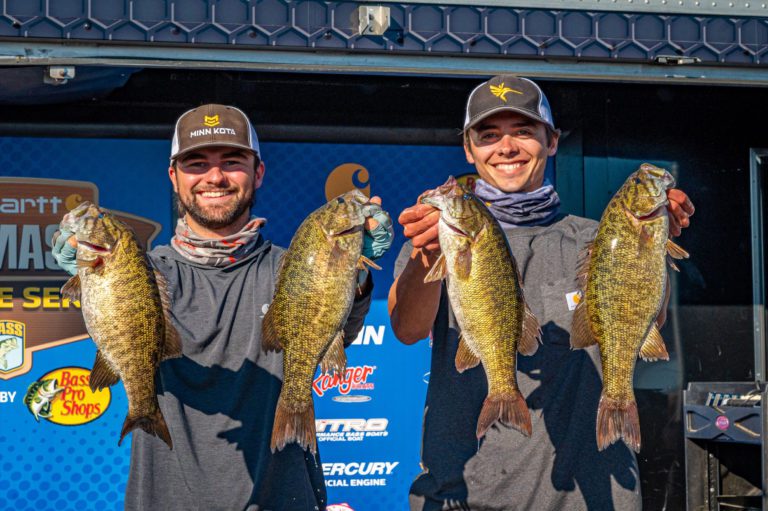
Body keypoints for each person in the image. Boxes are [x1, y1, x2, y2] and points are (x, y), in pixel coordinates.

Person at [52, 104, 394, 510]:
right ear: (174, 178)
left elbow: (339, 335)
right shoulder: (143, 273)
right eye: (197, 164)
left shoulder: (296, 266)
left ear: (258, 172)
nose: (214, 177)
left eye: (231, 162)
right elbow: (114, 323)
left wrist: (350, 270)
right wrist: (92, 271)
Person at [388, 76, 694, 510]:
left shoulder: (598, 238)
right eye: (488, 135)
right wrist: (425, 256)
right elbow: (406, 328)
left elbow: (649, 320)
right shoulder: (439, 240)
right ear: (469, 149)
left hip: (590, 497)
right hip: (464, 494)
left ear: (552, 142)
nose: (506, 147)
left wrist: (651, 243)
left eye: (524, 131)